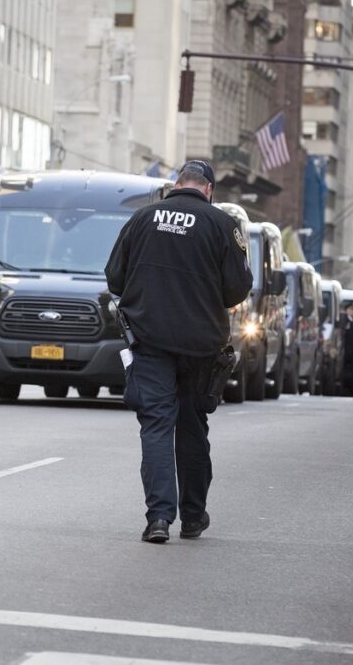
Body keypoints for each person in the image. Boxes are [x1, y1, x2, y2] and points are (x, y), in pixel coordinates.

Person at [105, 160, 253, 544]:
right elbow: (237, 290)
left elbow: (114, 277)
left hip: (150, 342)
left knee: (156, 426)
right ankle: (192, 516)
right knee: (191, 427)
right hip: (201, 347)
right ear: (209, 189)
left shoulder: (143, 218)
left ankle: (158, 519)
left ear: (177, 184)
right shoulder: (222, 225)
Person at [341, 302, 353, 397]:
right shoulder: (345, 322)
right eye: (352, 309)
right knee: (347, 373)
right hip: (347, 352)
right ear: (347, 310)